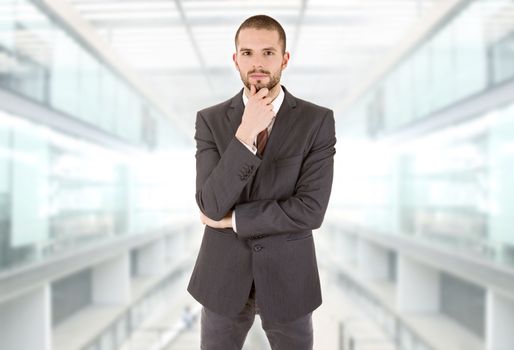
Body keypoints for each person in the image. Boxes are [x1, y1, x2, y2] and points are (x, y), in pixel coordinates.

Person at [187, 14, 336, 350]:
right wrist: (245, 133)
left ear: (284, 58)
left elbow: (311, 210)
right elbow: (210, 203)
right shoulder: (209, 121)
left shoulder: (317, 121)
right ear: (235, 59)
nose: (257, 63)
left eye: (268, 53)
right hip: (222, 279)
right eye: (248, 53)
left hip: (289, 278)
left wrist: (233, 219)